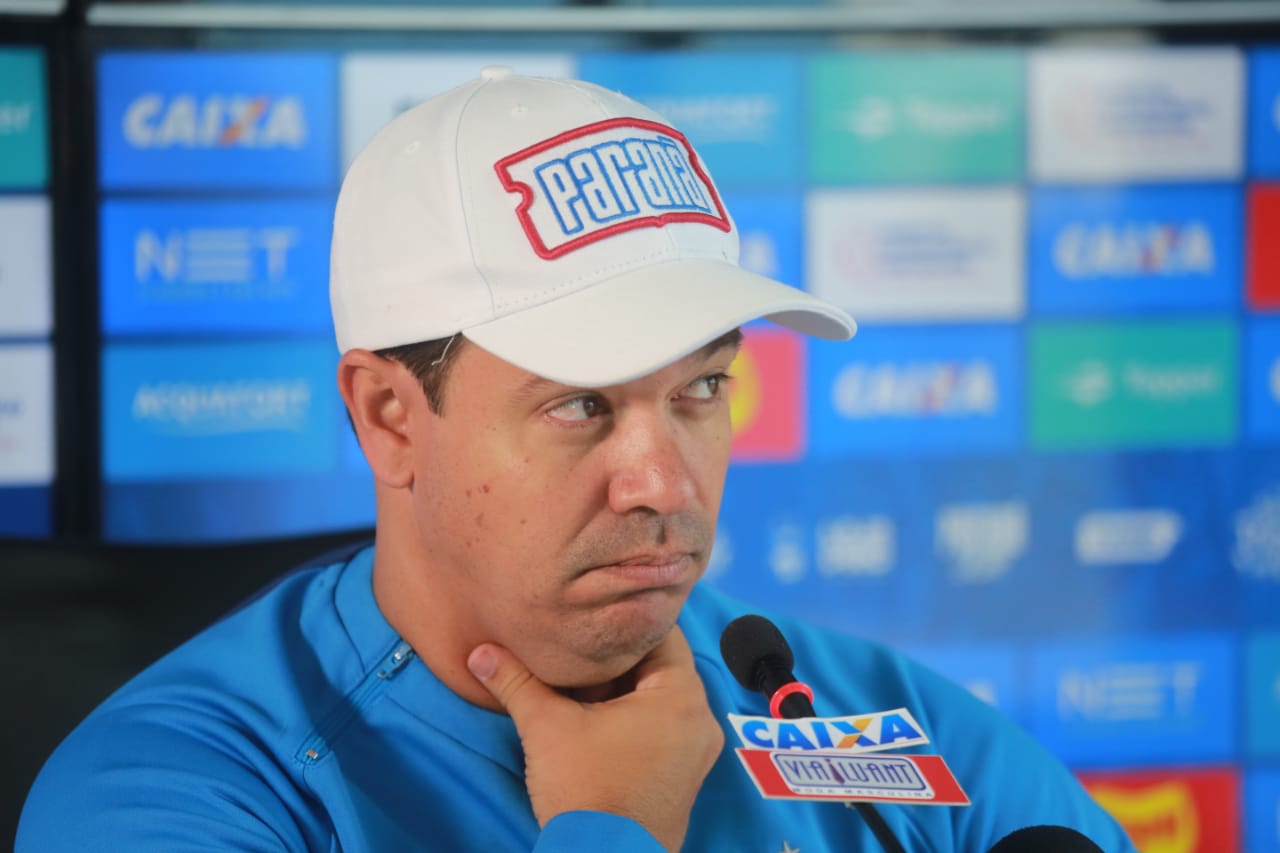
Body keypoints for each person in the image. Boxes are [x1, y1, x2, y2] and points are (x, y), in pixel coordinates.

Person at [18, 67, 1136, 852]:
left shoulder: (853, 713)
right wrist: (614, 828)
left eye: (702, 389)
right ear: (389, 417)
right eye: (580, 404)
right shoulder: (173, 793)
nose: (664, 483)